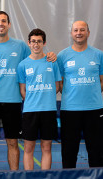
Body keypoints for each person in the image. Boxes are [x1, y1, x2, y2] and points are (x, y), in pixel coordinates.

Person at [0, 11, 56, 171]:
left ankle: (14, 175)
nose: (1, 23)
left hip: (13, 101)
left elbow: (36, 58)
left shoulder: (20, 46)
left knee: (13, 142)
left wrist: (50, 55)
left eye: (4, 21)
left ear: (9, 24)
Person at [57, 21, 103, 168]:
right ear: (71, 33)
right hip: (70, 110)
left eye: (82, 30)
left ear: (88, 33)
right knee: (69, 151)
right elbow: (60, 83)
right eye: (76, 30)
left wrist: (92, 93)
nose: (79, 33)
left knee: (96, 150)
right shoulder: (62, 56)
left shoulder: (98, 55)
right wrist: (72, 95)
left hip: (94, 110)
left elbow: (102, 81)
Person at [17, 28, 61, 170]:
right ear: (29, 43)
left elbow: (57, 87)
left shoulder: (52, 62)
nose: (36, 44)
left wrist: (45, 97)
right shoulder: (22, 65)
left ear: (44, 43)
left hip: (48, 110)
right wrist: (34, 100)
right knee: (28, 148)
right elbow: (23, 90)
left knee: (46, 147)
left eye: (39, 41)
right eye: (33, 41)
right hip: (30, 111)